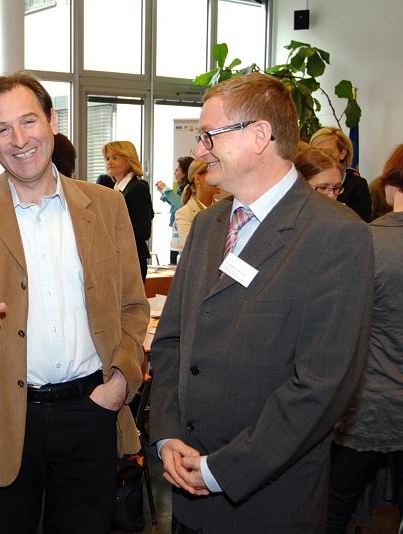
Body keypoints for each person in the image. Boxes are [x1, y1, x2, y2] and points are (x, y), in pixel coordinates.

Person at [0, 71, 149, 534]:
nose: (19, 140)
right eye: (2, 129)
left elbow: (133, 307)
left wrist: (120, 381)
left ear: (52, 121)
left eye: (29, 121)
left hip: (91, 410)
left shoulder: (106, 206)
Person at [150, 72, 373, 534]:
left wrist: (221, 470)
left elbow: (322, 385)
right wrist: (167, 433)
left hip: (269, 503)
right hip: (187, 495)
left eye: (209, 135)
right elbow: (172, 341)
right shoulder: (209, 225)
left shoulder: (335, 234)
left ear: (259, 136)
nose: (200, 150)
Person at [326, 158, 403, 533]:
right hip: (374, 403)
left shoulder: (365, 241)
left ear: (389, 187)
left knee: (333, 507)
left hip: (369, 405)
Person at [103, 141, 154, 279]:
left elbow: (143, 230)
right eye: (107, 158)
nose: (109, 162)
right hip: (118, 257)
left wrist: (112, 229)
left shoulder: (137, 187)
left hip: (132, 258)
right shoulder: (116, 189)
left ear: (128, 160)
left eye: (115, 158)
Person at [310, 126, 372, 221]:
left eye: (327, 152)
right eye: (316, 153)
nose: (321, 158)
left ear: (342, 153)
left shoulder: (356, 185)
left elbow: (362, 224)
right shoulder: (305, 180)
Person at [173, 158, 219, 252]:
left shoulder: (224, 207)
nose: (219, 178)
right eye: (213, 173)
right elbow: (190, 248)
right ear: (198, 179)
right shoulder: (184, 213)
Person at [157, 156, 194, 264]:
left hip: (183, 241)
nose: (175, 173)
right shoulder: (179, 188)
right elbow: (176, 207)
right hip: (176, 240)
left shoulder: (190, 189)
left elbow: (182, 205)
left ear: (185, 172)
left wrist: (165, 190)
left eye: (177, 170)